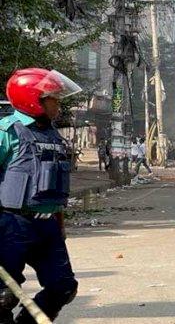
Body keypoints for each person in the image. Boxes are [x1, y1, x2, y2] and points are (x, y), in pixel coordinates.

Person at [0, 68, 82, 323]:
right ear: (32, 99)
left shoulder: (52, 134)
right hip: (12, 224)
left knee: (64, 286)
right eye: (52, 99)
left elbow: (51, 185)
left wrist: (60, 223)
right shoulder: (7, 131)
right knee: (3, 296)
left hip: (48, 225)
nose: (58, 104)